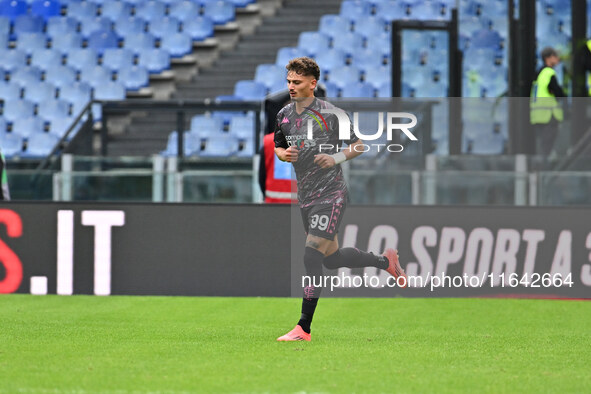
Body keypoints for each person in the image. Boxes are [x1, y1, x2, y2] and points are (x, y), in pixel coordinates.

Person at [273, 57, 407, 342]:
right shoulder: (284, 114)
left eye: (297, 82)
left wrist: (334, 157)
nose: (291, 87)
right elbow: (278, 147)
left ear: (313, 83)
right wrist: (284, 155)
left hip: (331, 193)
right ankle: (386, 262)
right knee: (331, 259)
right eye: (288, 82)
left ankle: (303, 328)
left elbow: (360, 144)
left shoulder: (332, 114)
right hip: (306, 195)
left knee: (311, 255)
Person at [530, 47, 566, 156]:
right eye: (555, 56)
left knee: (542, 145)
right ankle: (543, 169)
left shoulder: (539, 73)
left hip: (537, 115)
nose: (558, 59)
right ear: (548, 58)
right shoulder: (549, 73)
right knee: (547, 147)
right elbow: (558, 93)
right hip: (548, 115)